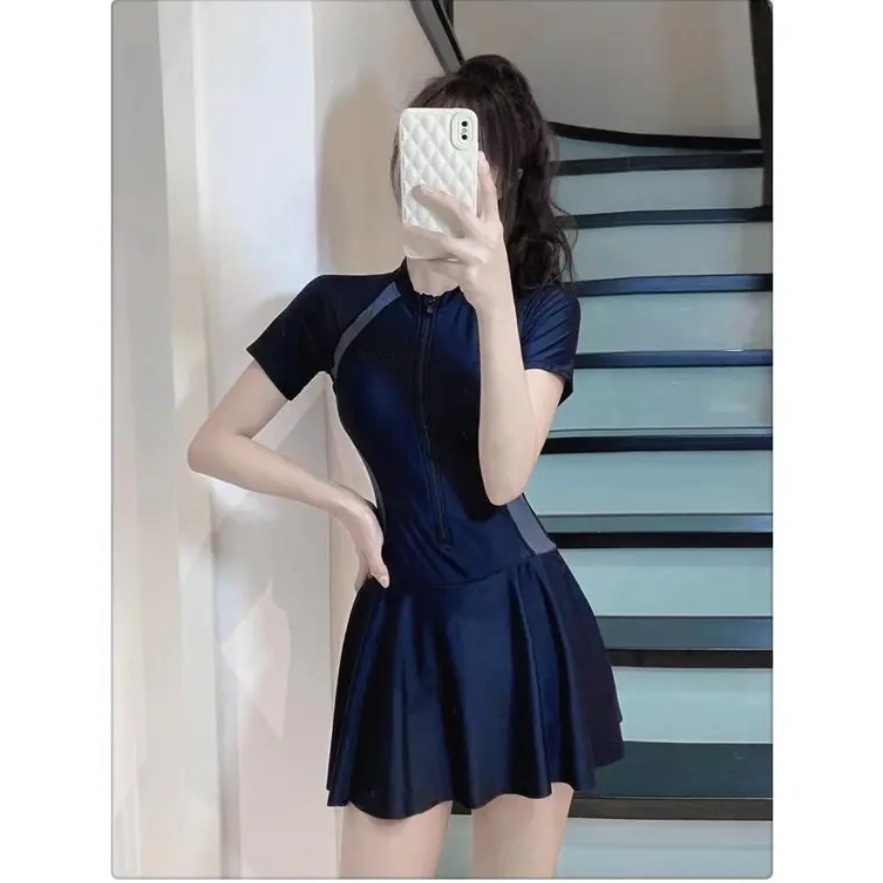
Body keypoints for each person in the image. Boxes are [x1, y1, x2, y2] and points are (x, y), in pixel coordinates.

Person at [188, 54, 624, 878]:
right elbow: (213, 442)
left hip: (518, 618)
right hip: (403, 626)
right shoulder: (336, 307)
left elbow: (503, 479)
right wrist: (346, 505)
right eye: (425, 147)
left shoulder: (540, 312)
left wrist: (490, 300)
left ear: (504, 181)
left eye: (470, 158)